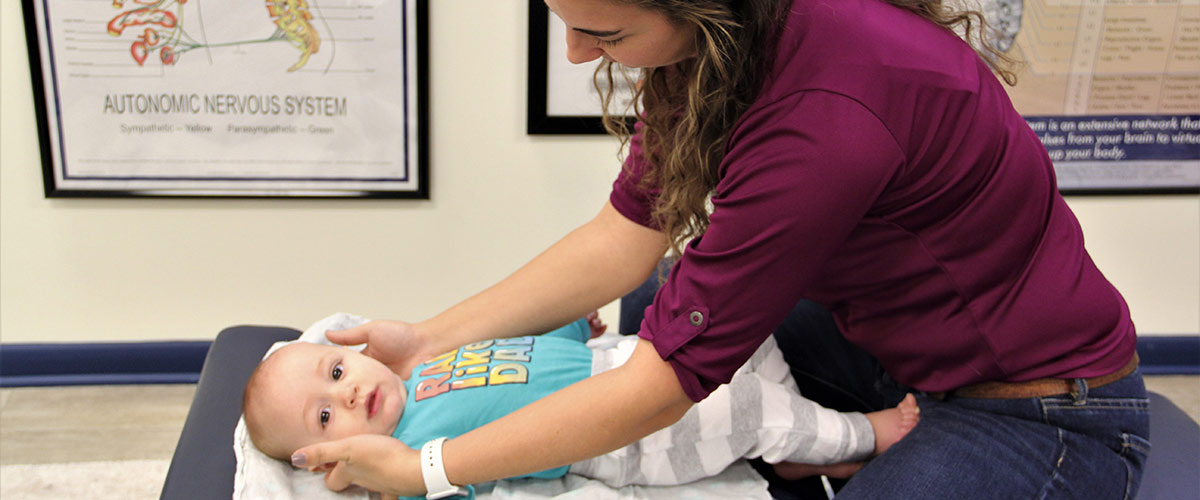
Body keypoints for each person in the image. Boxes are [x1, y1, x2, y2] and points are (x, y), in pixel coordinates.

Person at [289, 0, 1150, 498]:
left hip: (1043, 409)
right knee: (649, 303)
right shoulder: (730, 40)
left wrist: (426, 470)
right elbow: (621, 238)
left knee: (660, 355)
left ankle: (845, 446)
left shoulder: (823, 122)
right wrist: (433, 339)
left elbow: (662, 386)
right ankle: (835, 439)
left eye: (607, 33)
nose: (577, 51)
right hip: (899, 344)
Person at [243, 317, 919, 498]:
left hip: (623, 364)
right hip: (628, 438)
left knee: (744, 337)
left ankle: (795, 457)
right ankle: (864, 434)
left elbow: (514, 358)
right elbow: (441, 487)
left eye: (335, 370)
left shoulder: (426, 369)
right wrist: (375, 468)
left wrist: (572, 332)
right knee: (743, 407)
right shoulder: (410, 452)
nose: (348, 391)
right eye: (327, 418)